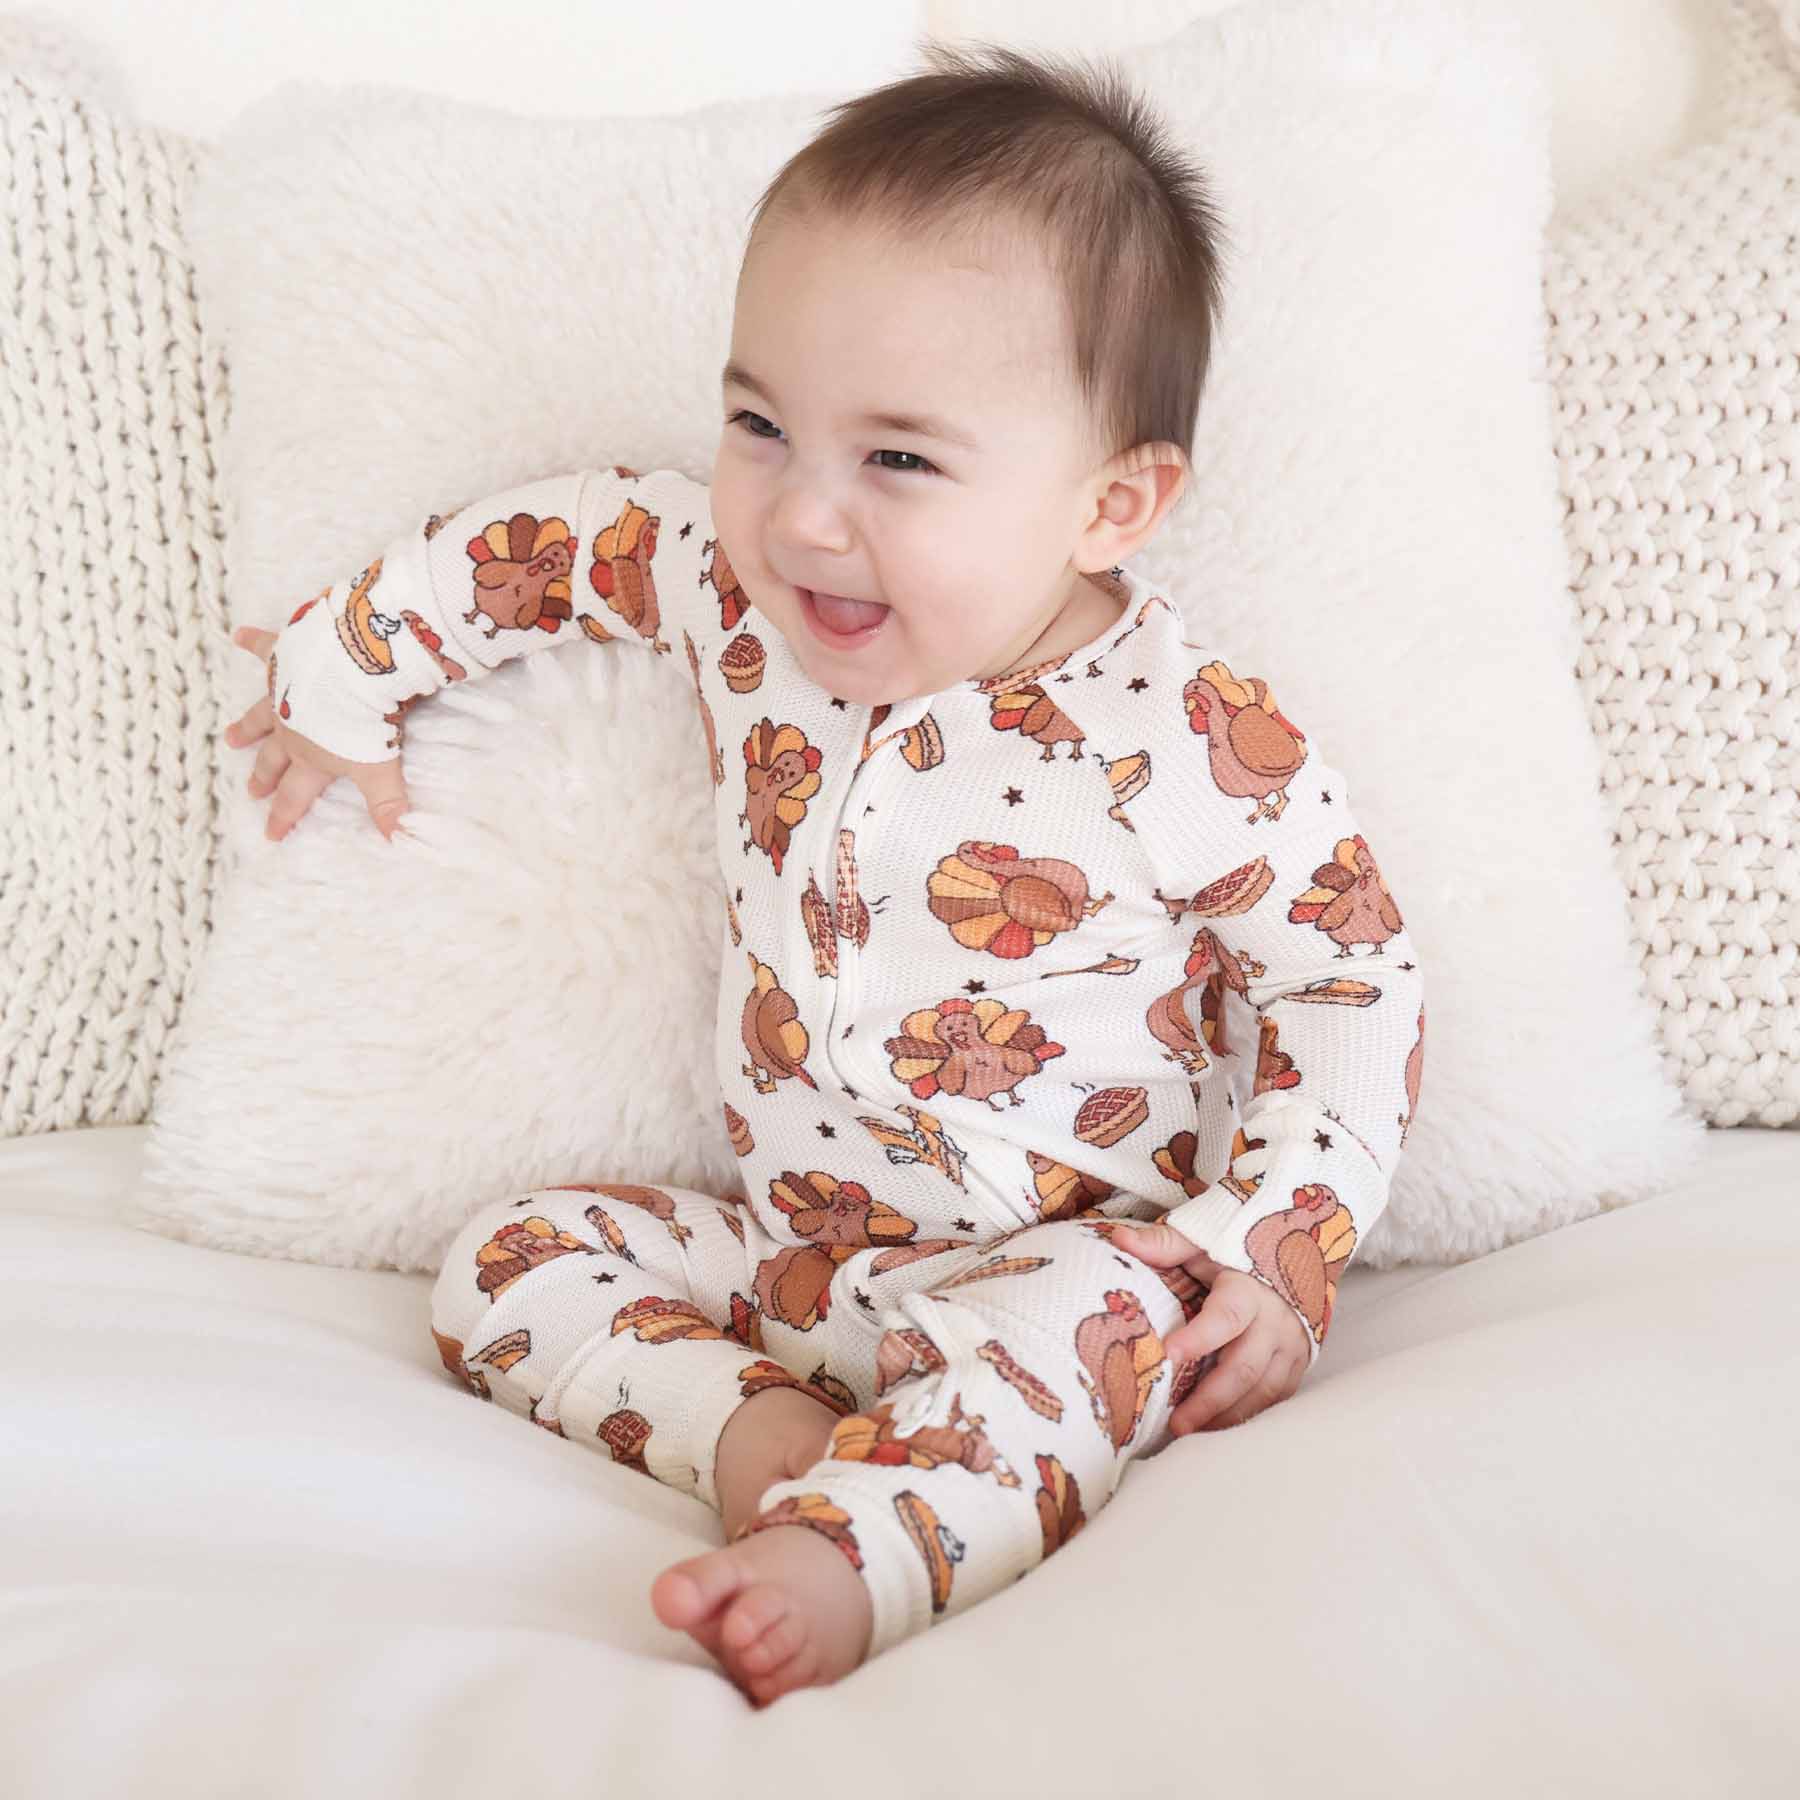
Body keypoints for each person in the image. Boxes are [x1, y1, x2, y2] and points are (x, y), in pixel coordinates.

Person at [223, 37, 1427, 1707]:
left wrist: (1281, 1238)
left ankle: (862, 1551)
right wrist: (342, 677)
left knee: (1092, 1345)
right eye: (760, 424)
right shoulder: (739, 603)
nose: (801, 515)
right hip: (795, 1267)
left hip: (1065, 1266)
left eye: (899, 461)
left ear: (1110, 504)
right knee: (501, 1264)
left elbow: (1345, 969)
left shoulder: (1183, 732)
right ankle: (766, 1443)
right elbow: (545, 548)